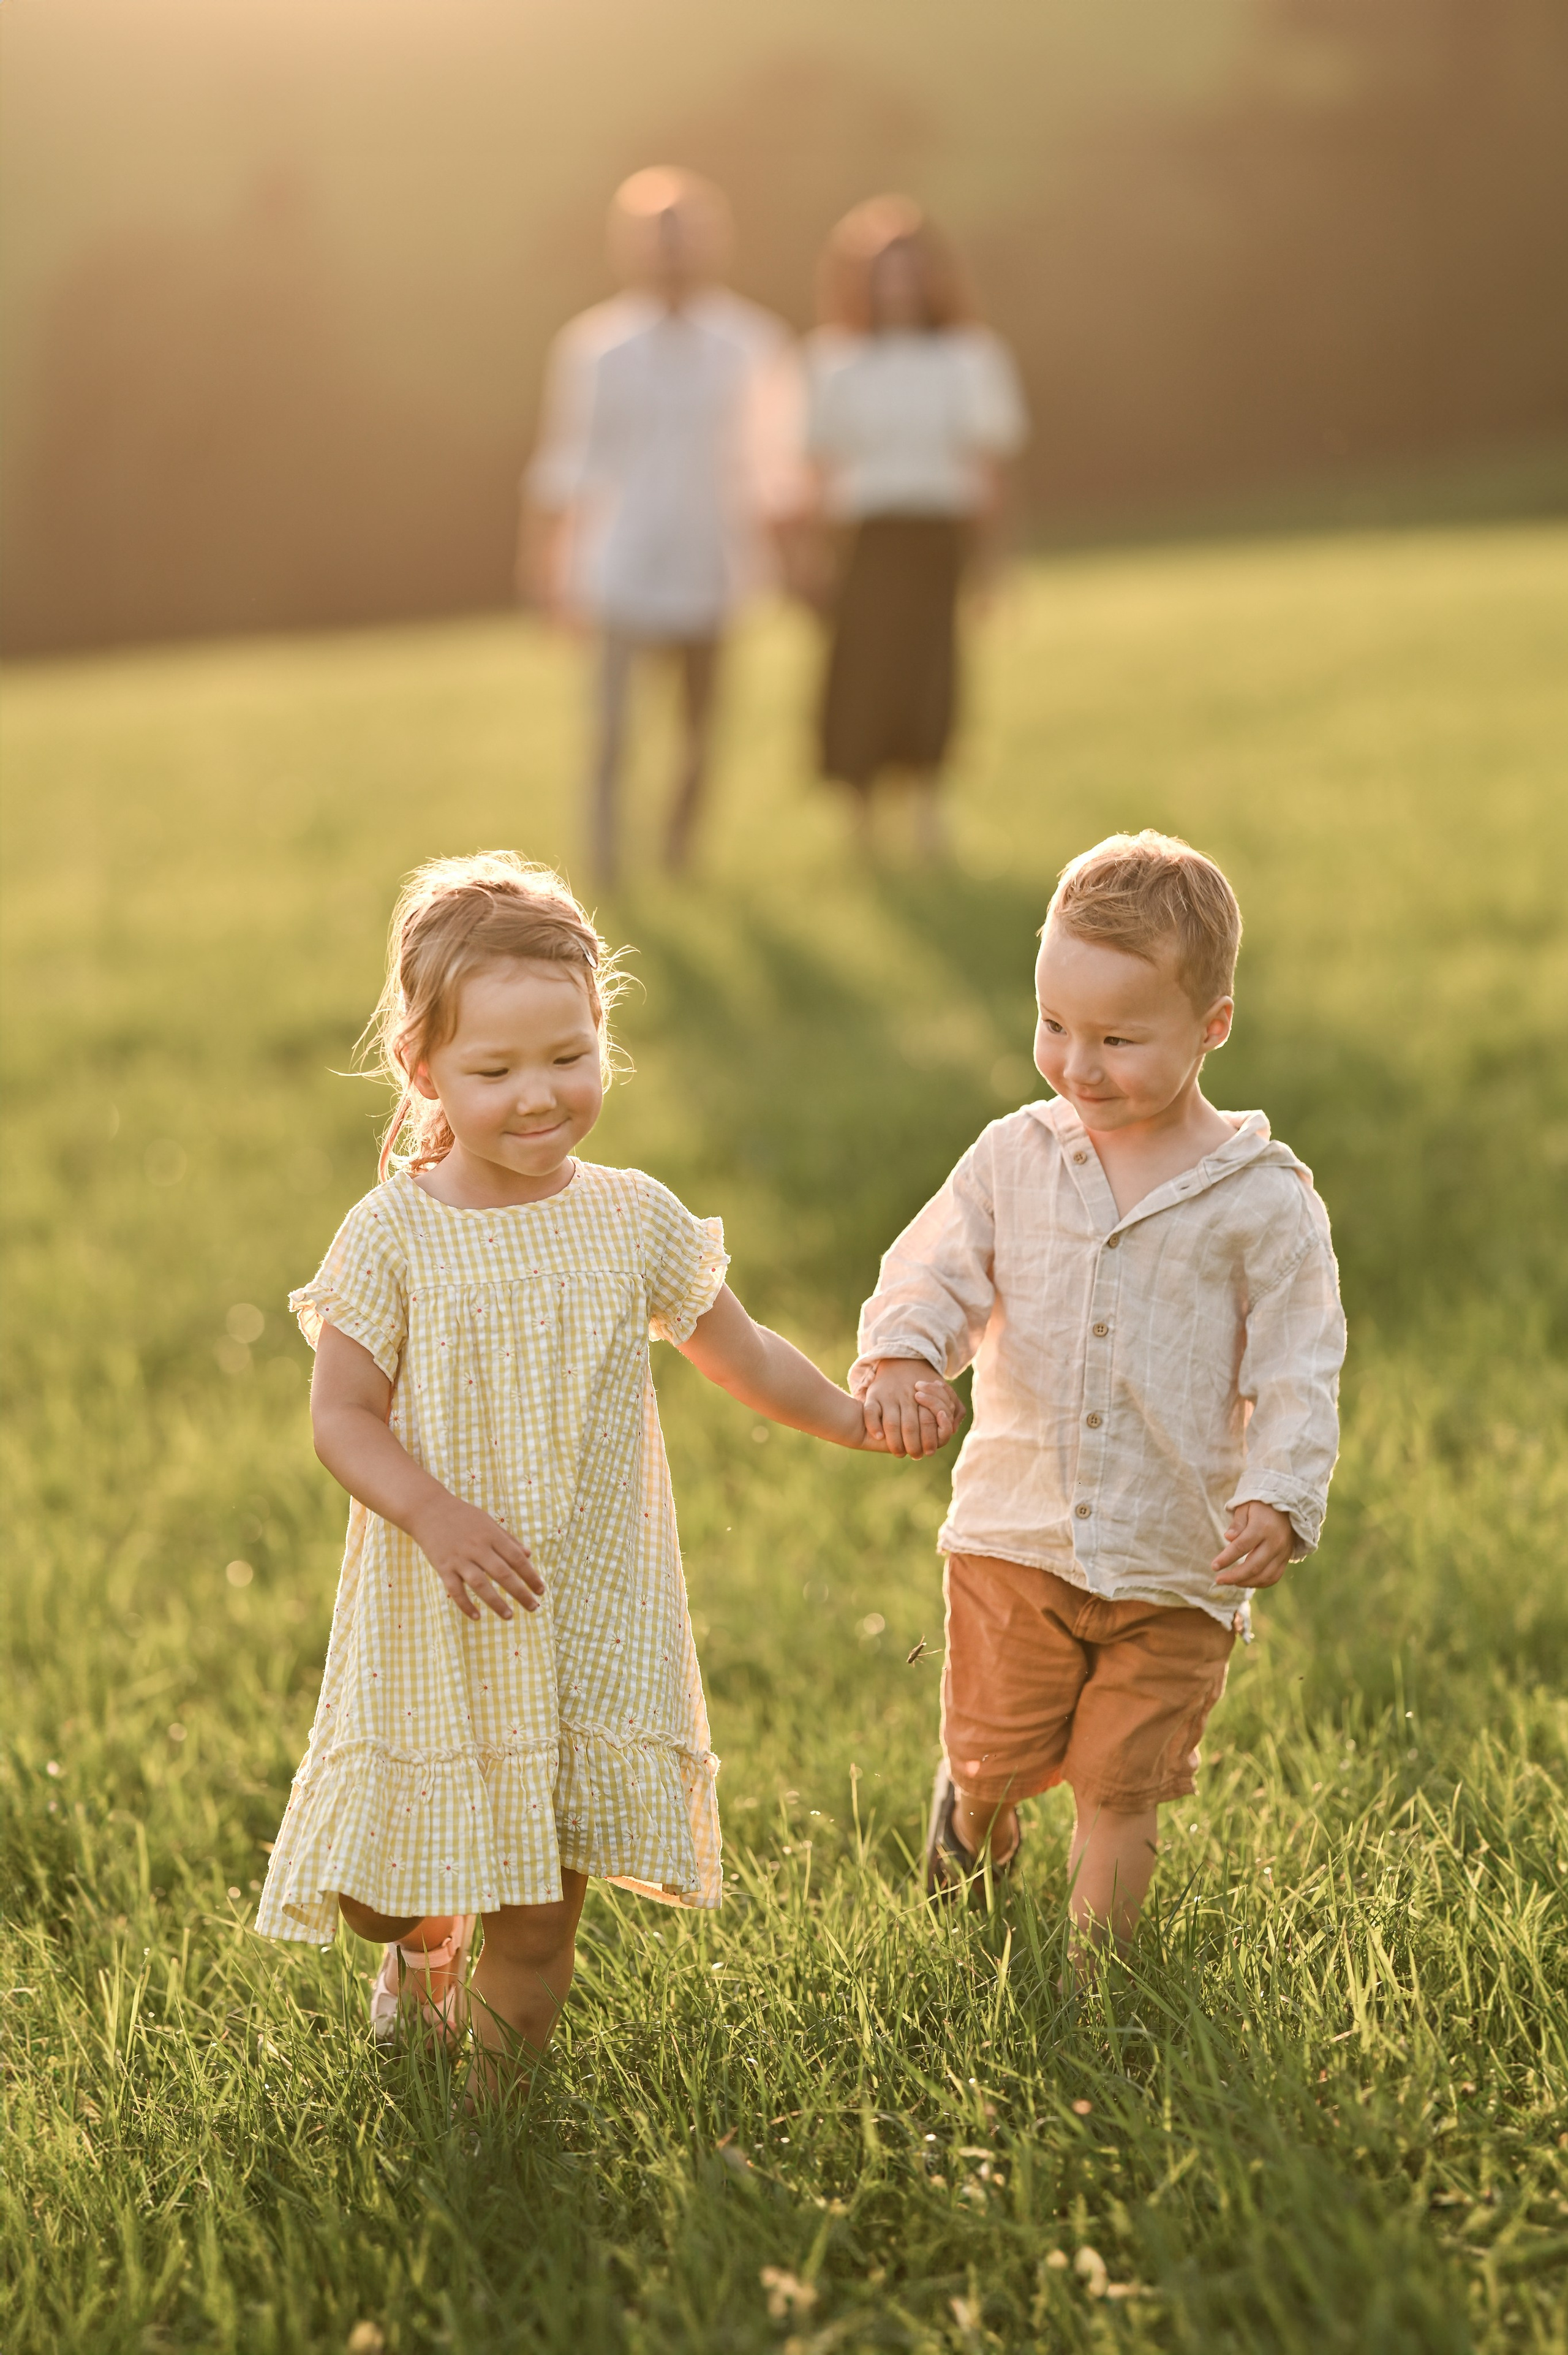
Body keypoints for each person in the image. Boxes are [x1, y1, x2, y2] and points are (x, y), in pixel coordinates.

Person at [254, 852, 956, 2084]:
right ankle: (417, 1941)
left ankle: (486, 2138)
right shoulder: (394, 1231)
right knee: (380, 1887)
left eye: (568, 1057)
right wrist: (434, 1511)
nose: (539, 1095)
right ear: (424, 1072)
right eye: (494, 1069)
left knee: (537, 1916)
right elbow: (343, 1417)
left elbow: (732, 1346)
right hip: (441, 1602)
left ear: (602, 1036)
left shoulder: (630, 1215)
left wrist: (848, 1416)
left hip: (586, 1604)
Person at [854, 832, 1346, 1957]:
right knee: (997, 1752)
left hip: (1176, 1559)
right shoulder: (1014, 1155)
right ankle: (970, 1812)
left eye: (1119, 1038)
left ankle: (1098, 1989)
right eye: (1054, 1025)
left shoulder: (1263, 1205)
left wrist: (1280, 1491)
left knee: (1122, 1786)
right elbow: (934, 1266)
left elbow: (1297, 1362)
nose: (1079, 1063)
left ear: (1212, 1025)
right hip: (1016, 1537)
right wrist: (905, 1355)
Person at [521, 170, 801, 886]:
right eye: (658, 237)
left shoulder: (754, 342)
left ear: (715, 242)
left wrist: (797, 558)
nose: (672, 252)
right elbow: (565, 463)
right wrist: (545, 569)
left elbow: (778, 466)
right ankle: (605, 874)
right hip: (618, 564)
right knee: (612, 736)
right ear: (629, 247)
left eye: (686, 236)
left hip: (715, 564)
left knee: (699, 735)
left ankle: (681, 862)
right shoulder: (594, 347)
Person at [804, 197, 1028, 861]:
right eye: (883, 273)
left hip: (936, 536)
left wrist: (994, 563)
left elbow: (989, 471)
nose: (897, 287)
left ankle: (927, 817)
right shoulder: (833, 362)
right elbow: (818, 471)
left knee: (931, 674)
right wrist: (809, 559)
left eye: (908, 272)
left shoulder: (967, 359)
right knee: (861, 674)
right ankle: (861, 825)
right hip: (866, 538)